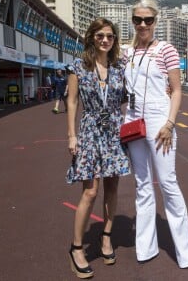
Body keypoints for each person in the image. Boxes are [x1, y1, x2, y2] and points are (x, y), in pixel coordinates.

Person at [122, 0, 188, 269]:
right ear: (132, 21)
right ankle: (146, 247)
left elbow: (176, 90)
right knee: (142, 185)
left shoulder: (166, 49)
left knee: (167, 183)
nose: (143, 25)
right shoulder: (126, 53)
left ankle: (185, 251)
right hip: (132, 119)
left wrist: (169, 123)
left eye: (148, 20)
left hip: (158, 120)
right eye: (138, 20)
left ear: (156, 21)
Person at [66, 17, 130, 279]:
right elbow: (71, 102)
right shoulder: (78, 66)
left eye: (110, 36)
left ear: (115, 40)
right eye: (101, 35)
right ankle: (77, 248)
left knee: (113, 187)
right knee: (90, 191)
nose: (105, 40)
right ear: (92, 37)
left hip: (114, 130)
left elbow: (133, 94)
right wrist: (72, 135)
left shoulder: (119, 67)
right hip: (90, 130)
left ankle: (106, 237)